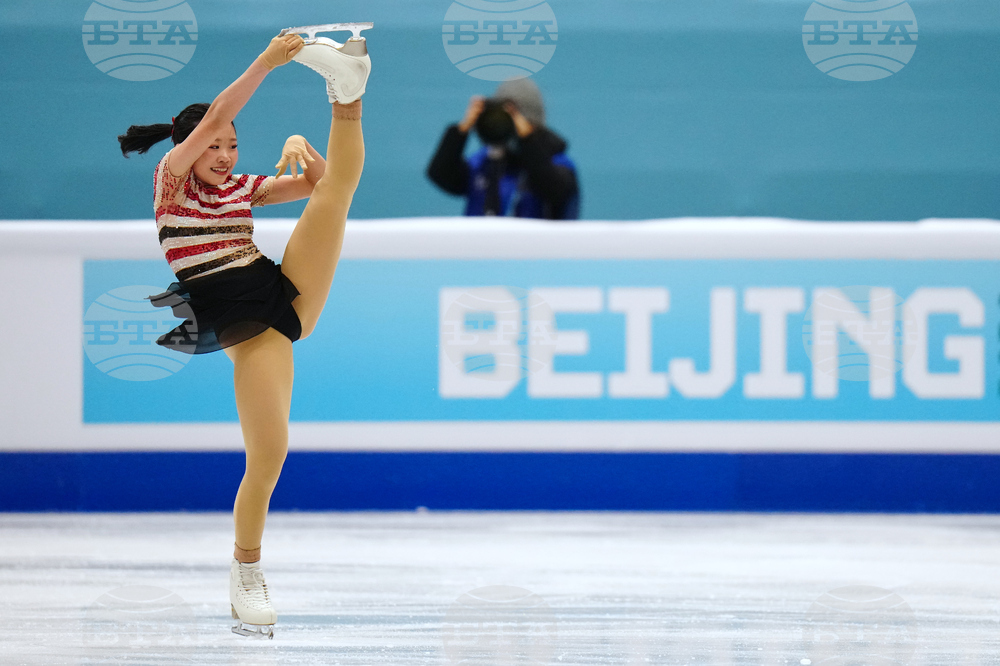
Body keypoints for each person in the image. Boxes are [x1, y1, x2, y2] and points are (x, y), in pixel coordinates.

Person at [116, 25, 372, 639]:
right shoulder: (171, 184)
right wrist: (267, 60)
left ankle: (348, 94)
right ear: (187, 150)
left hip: (282, 291)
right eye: (215, 147)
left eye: (232, 146)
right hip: (245, 322)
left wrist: (299, 145)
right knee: (271, 451)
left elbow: (316, 185)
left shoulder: (237, 188)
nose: (226, 155)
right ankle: (246, 571)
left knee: (336, 193)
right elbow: (221, 111)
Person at [427, 78, 580, 220]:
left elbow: (554, 191)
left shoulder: (559, 163)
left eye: (519, 121)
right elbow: (440, 174)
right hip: (481, 247)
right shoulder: (485, 162)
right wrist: (462, 130)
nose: (514, 130)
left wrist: (528, 141)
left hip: (540, 248)